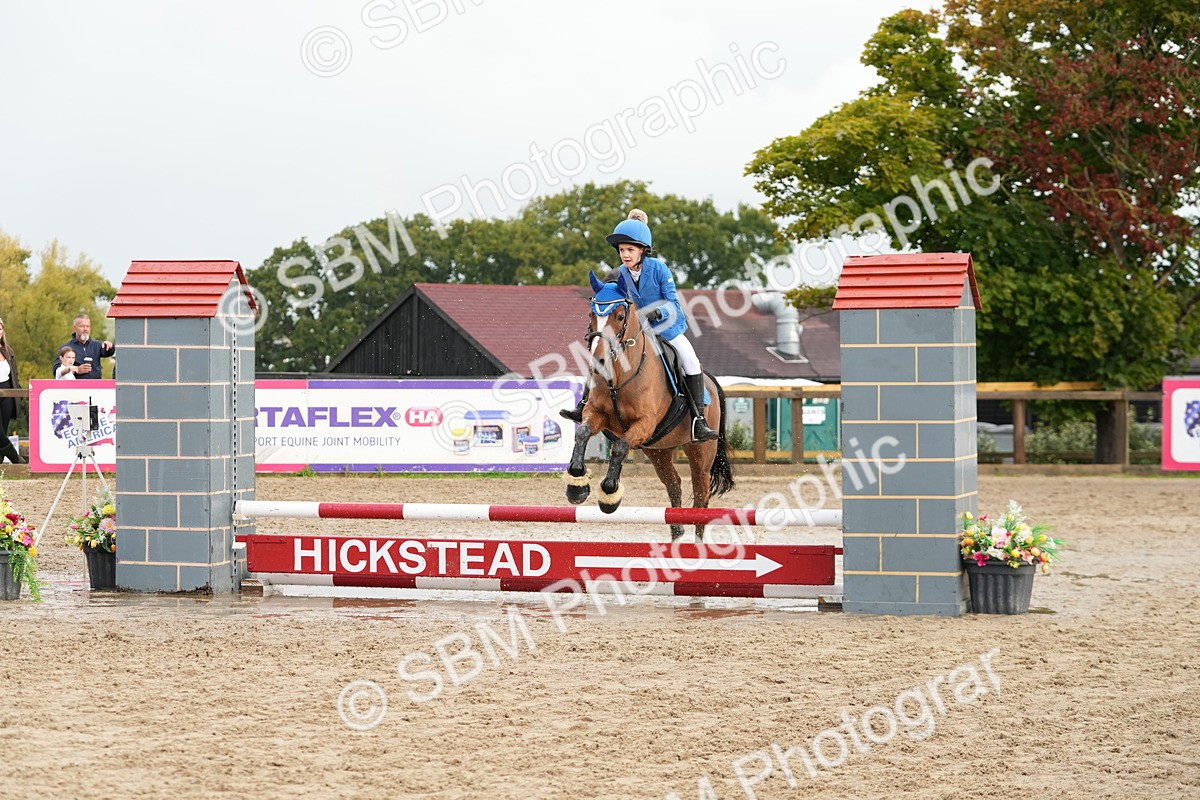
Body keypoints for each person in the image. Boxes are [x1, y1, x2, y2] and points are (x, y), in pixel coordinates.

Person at [561, 209, 718, 442]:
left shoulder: (659, 269)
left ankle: (699, 420)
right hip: (636, 332)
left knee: (691, 361)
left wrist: (659, 311)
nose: (625, 255)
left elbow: (674, 304)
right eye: (622, 250)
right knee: (601, 353)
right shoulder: (619, 274)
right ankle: (584, 403)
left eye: (630, 250)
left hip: (666, 328)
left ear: (643, 250)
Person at [53, 314, 115, 380]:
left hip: (96, 385)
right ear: (74, 328)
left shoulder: (97, 345)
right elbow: (57, 370)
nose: (85, 329)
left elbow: (109, 352)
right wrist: (77, 370)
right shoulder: (66, 347)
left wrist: (110, 346)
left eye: (88, 326)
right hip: (75, 385)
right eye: (82, 326)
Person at [0, 317, 25, 463]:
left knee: (3, 431)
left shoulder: (8, 351)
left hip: (8, 394)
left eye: (0, 329)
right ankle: (17, 460)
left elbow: (14, 375)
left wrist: (18, 393)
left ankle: (1, 469)